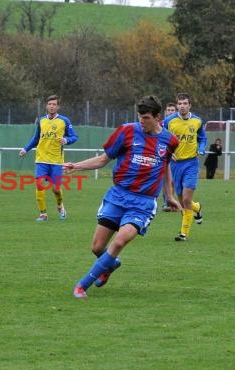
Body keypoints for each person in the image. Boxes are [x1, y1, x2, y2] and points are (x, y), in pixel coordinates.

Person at [64, 95, 181, 299]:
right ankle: (110, 265)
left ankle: (82, 285)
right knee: (97, 247)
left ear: (157, 117)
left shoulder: (170, 141)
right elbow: (103, 159)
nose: (141, 121)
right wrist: (77, 166)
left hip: (143, 203)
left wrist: (169, 196)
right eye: (140, 117)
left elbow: (165, 165)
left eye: (146, 117)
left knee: (118, 243)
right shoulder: (127, 131)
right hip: (118, 196)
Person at [19, 95, 78, 221]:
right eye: (50, 104)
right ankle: (43, 214)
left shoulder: (64, 121)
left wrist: (66, 140)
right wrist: (25, 149)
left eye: (54, 104)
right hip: (41, 159)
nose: (52, 106)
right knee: (40, 185)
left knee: (56, 189)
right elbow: (36, 139)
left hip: (56, 161)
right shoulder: (41, 121)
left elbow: (74, 137)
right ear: (46, 106)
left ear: (58, 107)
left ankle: (60, 206)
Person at [163, 93, 207, 242]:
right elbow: (161, 138)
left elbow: (202, 138)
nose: (182, 106)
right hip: (175, 165)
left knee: (186, 199)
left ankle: (183, 234)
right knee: (183, 203)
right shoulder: (169, 121)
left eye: (185, 103)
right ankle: (197, 208)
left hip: (191, 163)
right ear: (177, 106)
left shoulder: (197, 121)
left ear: (190, 105)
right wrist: (168, 152)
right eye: (180, 103)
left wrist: (201, 148)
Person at [161, 102, 178, 211]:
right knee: (165, 179)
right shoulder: (161, 124)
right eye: (169, 110)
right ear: (165, 112)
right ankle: (166, 203)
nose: (170, 112)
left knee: (173, 180)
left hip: (177, 155)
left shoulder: (178, 123)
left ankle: (170, 201)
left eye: (172, 110)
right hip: (164, 154)